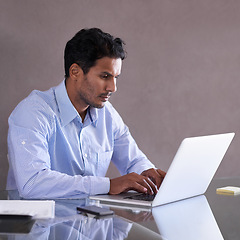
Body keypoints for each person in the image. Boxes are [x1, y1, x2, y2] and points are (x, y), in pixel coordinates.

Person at [6, 28, 166, 199]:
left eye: (115, 77)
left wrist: (147, 172)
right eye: (105, 76)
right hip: (38, 223)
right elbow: (33, 183)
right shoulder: (33, 112)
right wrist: (109, 185)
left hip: (90, 220)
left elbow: (133, 160)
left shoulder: (107, 114)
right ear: (75, 71)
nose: (113, 88)